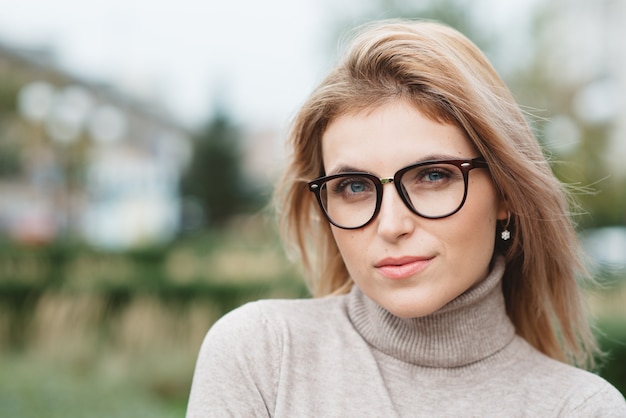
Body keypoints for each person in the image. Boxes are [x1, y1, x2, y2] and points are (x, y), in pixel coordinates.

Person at [186, 19, 626, 416]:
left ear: (506, 192)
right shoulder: (264, 356)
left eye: (433, 176)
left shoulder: (581, 408)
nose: (392, 225)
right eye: (354, 187)